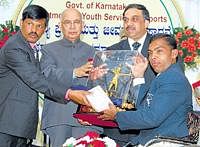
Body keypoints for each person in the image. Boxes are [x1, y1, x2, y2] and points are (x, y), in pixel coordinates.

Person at [0, 5, 91, 147]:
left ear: (45, 28)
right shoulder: (14, 47)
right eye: (30, 24)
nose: (34, 30)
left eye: (39, 26)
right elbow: (36, 79)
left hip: (19, 126)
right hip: (7, 125)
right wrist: (69, 93)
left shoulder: (29, 48)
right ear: (21, 23)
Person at [100, 33, 193, 146]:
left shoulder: (173, 78)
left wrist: (116, 116)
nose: (153, 56)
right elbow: (144, 106)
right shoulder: (165, 75)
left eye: (159, 51)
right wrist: (139, 76)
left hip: (163, 141)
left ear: (173, 53)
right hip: (153, 139)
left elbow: (151, 118)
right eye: (150, 53)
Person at [40, 8, 103, 147]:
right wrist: (75, 72)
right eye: (68, 22)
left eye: (76, 22)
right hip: (59, 117)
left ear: (83, 25)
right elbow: (46, 74)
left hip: (87, 120)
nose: (73, 26)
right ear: (60, 26)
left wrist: (92, 114)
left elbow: (100, 87)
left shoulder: (95, 53)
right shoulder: (48, 50)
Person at [103, 3, 156, 146]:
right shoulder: (112, 52)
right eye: (125, 20)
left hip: (152, 130)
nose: (128, 24)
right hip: (118, 131)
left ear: (146, 22)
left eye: (134, 19)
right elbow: (106, 88)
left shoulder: (161, 48)